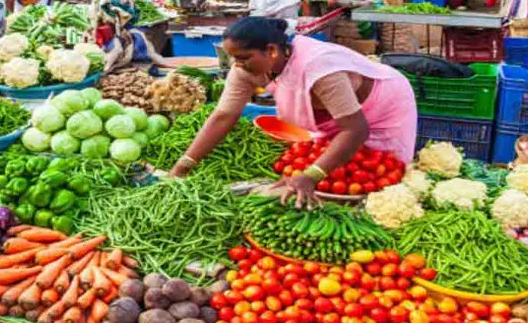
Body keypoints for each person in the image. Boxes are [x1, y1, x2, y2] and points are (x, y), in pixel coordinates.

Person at [169, 17, 417, 205]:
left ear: (272, 51)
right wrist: (184, 165)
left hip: (382, 105)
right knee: (340, 171)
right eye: (232, 58)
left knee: (380, 174)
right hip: (335, 117)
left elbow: (355, 129)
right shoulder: (246, 69)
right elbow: (224, 116)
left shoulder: (318, 67)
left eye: (242, 57)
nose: (236, 65)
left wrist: (311, 174)